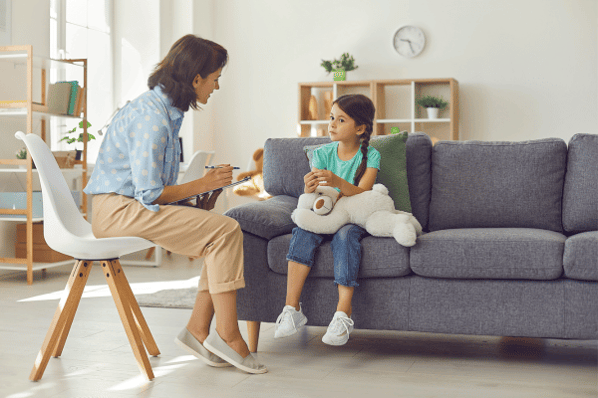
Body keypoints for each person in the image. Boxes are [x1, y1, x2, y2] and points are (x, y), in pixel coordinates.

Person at [84, 34, 267, 374]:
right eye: (215, 79)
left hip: (128, 206)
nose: (216, 87)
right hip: (116, 211)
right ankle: (227, 335)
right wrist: (203, 184)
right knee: (226, 229)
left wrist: (198, 198)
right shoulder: (151, 118)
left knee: (219, 233)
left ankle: (199, 330)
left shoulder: (167, 111)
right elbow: (150, 193)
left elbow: (155, 188)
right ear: (196, 79)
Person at [274, 94, 380, 346]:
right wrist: (308, 188)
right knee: (303, 230)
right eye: (331, 117)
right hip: (325, 214)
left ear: (360, 128)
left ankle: (343, 314)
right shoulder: (321, 154)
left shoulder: (372, 156)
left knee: (345, 237)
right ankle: (291, 309)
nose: (331, 124)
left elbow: (364, 193)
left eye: (340, 119)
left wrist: (338, 182)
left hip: (352, 218)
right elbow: (317, 198)